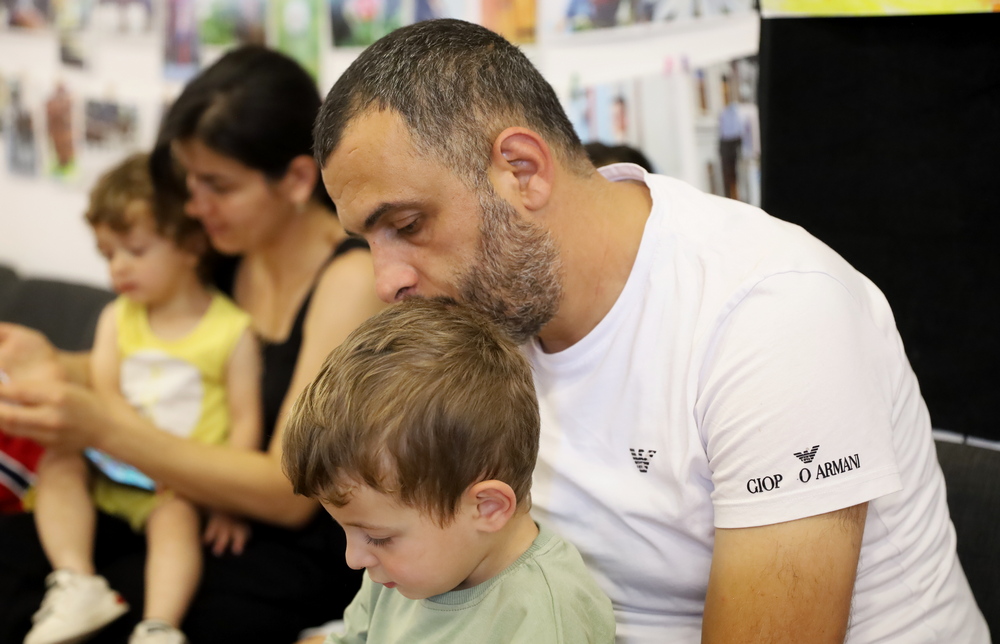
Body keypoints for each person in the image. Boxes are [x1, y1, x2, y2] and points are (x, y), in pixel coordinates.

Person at [307, 18, 989, 644]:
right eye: (368, 238)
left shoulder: (772, 313)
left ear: (521, 169)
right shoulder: (484, 313)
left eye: (407, 225)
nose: (386, 280)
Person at [0, 45, 384, 643]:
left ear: (296, 178)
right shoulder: (228, 249)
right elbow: (153, 364)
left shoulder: (352, 278)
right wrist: (50, 363)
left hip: (277, 546)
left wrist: (101, 428)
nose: (193, 207)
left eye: (218, 186)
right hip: (177, 503)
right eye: (190, 183)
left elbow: (288, 491)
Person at [23, 152, 260, 644]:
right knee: (59, 462)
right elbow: (106, 395)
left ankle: (159, 626)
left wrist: (229, 503)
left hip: (175, 483)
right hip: (112, 464)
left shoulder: (231, 331)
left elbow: (244, 422)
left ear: (191, 245)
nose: (118, 269)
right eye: (108, 254)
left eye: (134, 249)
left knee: (174, 521)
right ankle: (76, 581)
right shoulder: (118, 317)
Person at [281, 298, 616, 644]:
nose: (354, 558)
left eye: (378, 537)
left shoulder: (544, 616)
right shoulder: (396, 573)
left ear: (487, 507)